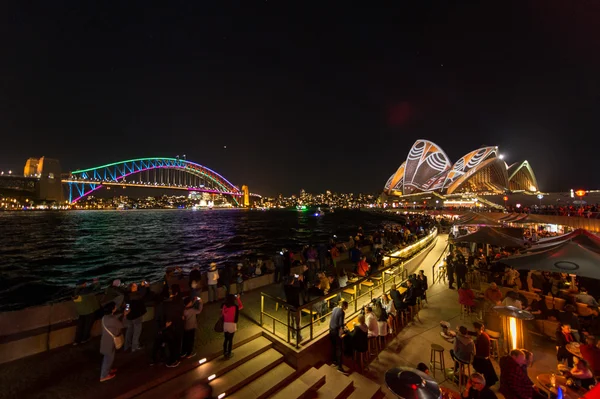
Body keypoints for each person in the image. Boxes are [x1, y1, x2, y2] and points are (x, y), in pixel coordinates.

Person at [99, 301, 128, 382]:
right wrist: (125, 316)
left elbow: (114, 319)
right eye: (115, 307)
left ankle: (107, 370)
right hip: (110, 341)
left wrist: (122, 314)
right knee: (108, 358)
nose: (116, 307)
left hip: (106, 340)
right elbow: (122, 325)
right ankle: (104, 375)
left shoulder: (105, 317)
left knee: (109, 357)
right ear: (112, 309)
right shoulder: (112, 319)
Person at [124, 281, 151, 352]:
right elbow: (143, 294)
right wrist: (144, 286)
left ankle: (127, 345)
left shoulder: (127, 295)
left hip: (130, 316)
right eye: (135, 286)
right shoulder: (136, 295)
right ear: (132, 288)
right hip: (136, 315)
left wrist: (126, 311)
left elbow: (127, 304)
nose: (136, 287)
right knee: (137, 331)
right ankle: (134, 347)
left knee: (129, 330)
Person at [72, 278, 102, 345]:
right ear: (83, 284)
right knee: (87, 326)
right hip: (88, 311)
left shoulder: (75, 291)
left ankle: (76, 341)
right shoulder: (85, 291)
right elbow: (96, 288)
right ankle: (84, 339)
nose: (86, 284)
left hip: (81, 311)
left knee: (80, 326)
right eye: (85, 283)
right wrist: (96, 282)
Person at [471, 322, 498, 387]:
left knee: (470, 357)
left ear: (476, 328)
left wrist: (472, 345)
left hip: (481, 359)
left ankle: (477, 377)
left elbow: (478, 350)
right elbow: (475, 334)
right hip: (485, 358)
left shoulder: (482, 338)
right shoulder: (483, 334)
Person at [164, 284, 185, 367]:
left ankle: (174, 359)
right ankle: (177, 357)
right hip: (179, 324)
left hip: (174, 325)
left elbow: (170, 314)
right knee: (177, 342)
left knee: (173, 343)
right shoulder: (180, 301)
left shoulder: (171, 303)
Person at [329, 301, 349, 372]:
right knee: (339, 348)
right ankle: (340, 367)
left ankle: (334, 361)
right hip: (336, 332)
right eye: (347, 306)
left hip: (331, 330)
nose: (347, 308)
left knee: (334, 347)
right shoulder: (342, 312)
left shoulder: (334, 308)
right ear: (344, 306)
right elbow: (340, 324)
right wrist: (344, 329)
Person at [222, 294, 243, 359]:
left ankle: (225, 352)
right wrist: (238, 298)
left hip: (225, 324)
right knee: (230, 340)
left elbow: (222, 313)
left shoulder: (224, 306)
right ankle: (229, 353)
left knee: (226, 339)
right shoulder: (235, 307)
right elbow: (241, 306)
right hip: (232, 324)